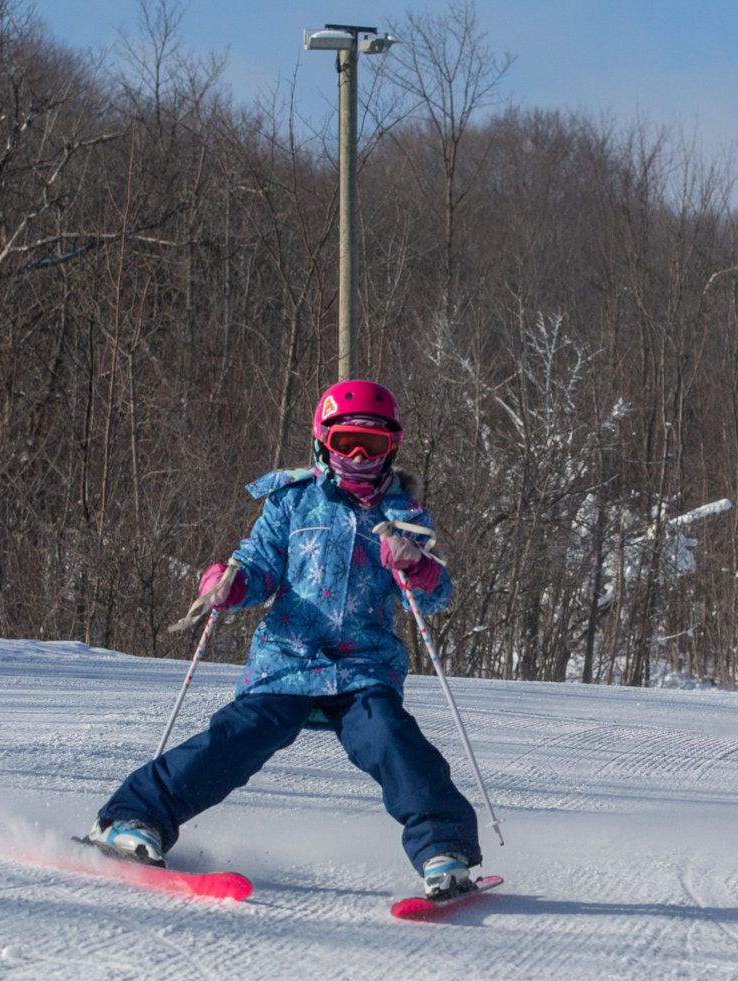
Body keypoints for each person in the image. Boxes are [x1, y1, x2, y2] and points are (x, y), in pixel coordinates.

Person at [88, 379, 484, 896]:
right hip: (288, 659)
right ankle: (134, 817)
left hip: (364, 666)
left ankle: (444, 851)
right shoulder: (291, 502)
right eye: (347, 444)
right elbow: (258, 563)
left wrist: (418, 569)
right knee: (241, 737)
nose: (360, 457)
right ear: (323, 441)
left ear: (394, 447)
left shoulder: (404, 517)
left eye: (373, 445)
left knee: (391, 739)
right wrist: (228, 583)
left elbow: (435, 595)